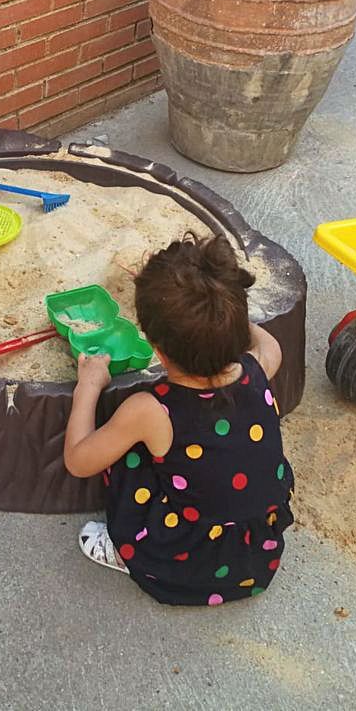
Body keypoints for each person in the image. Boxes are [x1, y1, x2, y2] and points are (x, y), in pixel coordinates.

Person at [63, 233, 294, 605]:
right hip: (256, 556)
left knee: (131, 453)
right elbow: (266, 342)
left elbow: (78, 460)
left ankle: (129, 551)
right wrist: (219, 308)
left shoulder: (149, 411)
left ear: (155, 349)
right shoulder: (262, 363)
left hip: (184, 565)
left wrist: (88, 386)